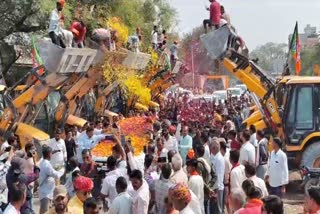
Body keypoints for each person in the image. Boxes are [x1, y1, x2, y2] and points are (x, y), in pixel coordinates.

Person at [39, 145, 64, 214]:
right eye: (51, 153)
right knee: (45, 212)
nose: (52, 155)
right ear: (49, 154)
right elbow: (56, 175)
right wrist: (62, 170)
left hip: (48, 192)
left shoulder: (43, 162)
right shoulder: (46, 165)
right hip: (46, 193)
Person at [209, 139, 225, 214]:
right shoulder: (213, 156)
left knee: (217, 210)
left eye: (211, 148)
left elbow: (219, 176)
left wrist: (215, 191)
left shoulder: (219, 159)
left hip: (217, 189)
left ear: (214, 148)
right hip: (214, 188)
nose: (210, 149)